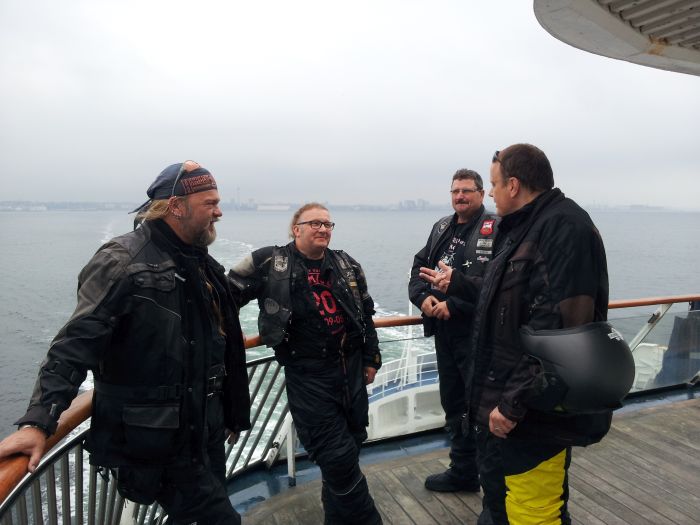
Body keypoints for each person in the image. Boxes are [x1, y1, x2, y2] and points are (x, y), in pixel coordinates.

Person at [0, 161, 251, 525]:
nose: (219, 211)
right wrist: (38, 422)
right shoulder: (122, 262)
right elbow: (74, 345)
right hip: (159, 440)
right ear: (176, 206)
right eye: (209, 203)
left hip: (202, 429)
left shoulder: (199, 261)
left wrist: (228, 410)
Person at [422, 144, 609, 525]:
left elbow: (558, 332)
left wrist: (511, 405)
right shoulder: (525, 227)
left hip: (531, 416)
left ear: (513, 184)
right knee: (499, 502)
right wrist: (458, 282)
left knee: (533, 510)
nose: (491, 194)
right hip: (504, 403)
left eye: (492, 185)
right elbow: (506, 295)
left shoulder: (563, 228)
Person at [228, 203, 382, 525]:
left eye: (328, 224)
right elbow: (224, 296)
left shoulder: (346, 264)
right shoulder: (270, 262)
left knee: (351, 445)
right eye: (315, 223)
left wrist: (372, 357)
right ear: (295, 229)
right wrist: (227, 331)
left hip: (351, 370)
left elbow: (365, 314)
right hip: (309, 375)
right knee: (337, 456)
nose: (323, 229)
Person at [408, 169, 497, 492]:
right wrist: (423, 299)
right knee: (454, 403)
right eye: (455, 191)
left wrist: (454, 306)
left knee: (481, 408)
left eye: (467, 191)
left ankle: (490, 483)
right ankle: (462, 471)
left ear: (481, 194)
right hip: (444, 334)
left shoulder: (496, 229)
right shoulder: (442, 227)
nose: (460, 196)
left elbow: (497, 284)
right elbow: (418, 268)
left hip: (477, 335)